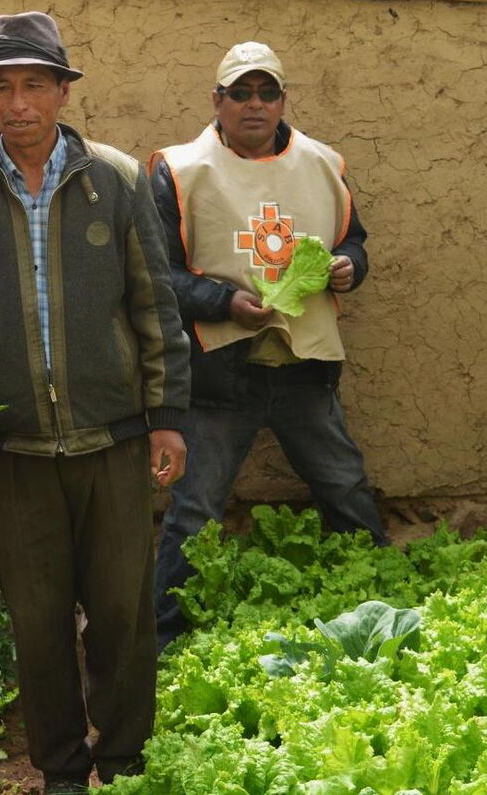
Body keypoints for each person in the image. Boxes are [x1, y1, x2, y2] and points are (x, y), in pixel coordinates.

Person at [0, 12, 190, 793]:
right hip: (15, 451)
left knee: (121, 614)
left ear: (63, 91)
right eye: (1, 87)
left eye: (35, 84)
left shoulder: (117, 180)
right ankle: (63, 769)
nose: (17, 103)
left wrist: (166, 413)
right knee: (36, 626)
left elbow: (155, 306)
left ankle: (125, 757)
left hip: (113, 438)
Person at [150, 41, 390, 652]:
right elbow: (155, 277)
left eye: (266, 92)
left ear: (283, 99)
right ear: (217, 100)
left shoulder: (322, 163)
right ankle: (165, 639)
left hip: (302, 367)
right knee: (195, 512)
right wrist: (223, 302)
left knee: (343, 486)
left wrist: (347, 268)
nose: (254, 104)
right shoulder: (179, 170)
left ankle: (382, 605)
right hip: (220, 375)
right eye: (240, 92)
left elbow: (353, 241)